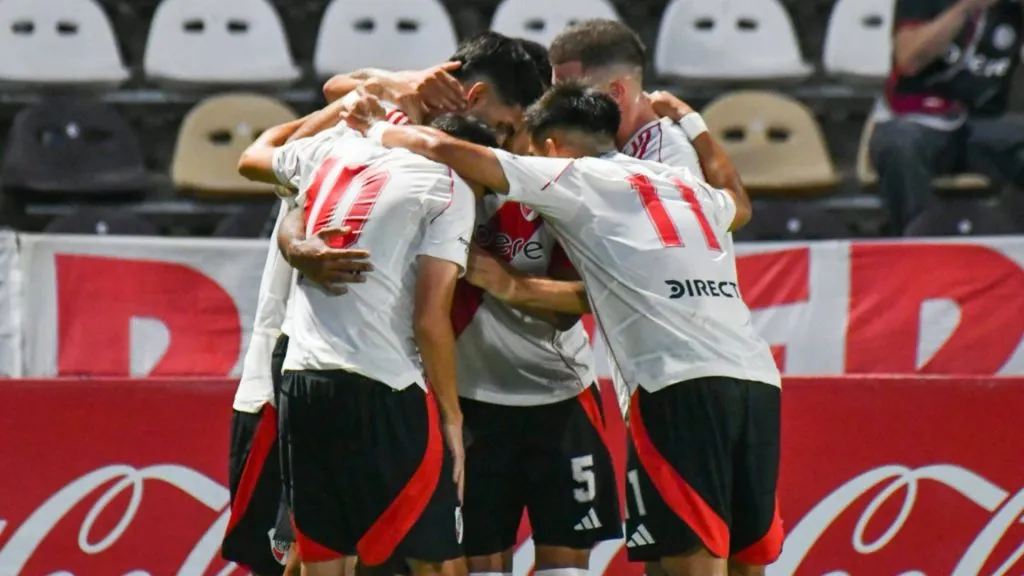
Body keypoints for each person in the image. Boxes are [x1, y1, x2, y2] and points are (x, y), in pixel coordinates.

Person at [343, 83, 784, 576]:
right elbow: (738, 201)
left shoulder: (573, 177)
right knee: (745, 559)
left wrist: (379, 128)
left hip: (676, 385)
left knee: (688, 561)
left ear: (551, 148)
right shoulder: (683, 184)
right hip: (757, 380)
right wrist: (693, 122)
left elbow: (442, 148)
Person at [327, 39, 624, 576]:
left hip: (560, 397)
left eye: (512, 131)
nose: (499, 144)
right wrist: (410, 81)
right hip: (471, 401)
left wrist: (505, 283)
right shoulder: (431, 160)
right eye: (496, 126)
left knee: (568, 569)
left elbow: (580, 301)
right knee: (481, 565)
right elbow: (339, 90)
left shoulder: (551, 183)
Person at [236, 113, 502, 576]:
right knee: (436, 558)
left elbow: (254, 156)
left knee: (322, 558)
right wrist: (451, 417)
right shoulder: (451, 186)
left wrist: (295, 244)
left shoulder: (333, 152)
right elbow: (429, 317)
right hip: (385, 387)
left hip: (303, 381)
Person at [870, 0, 1024, 233]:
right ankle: (915, 243)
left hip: (981, 125)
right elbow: (909, 60)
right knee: (898, 144)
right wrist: (965, 7)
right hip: (918, 119)